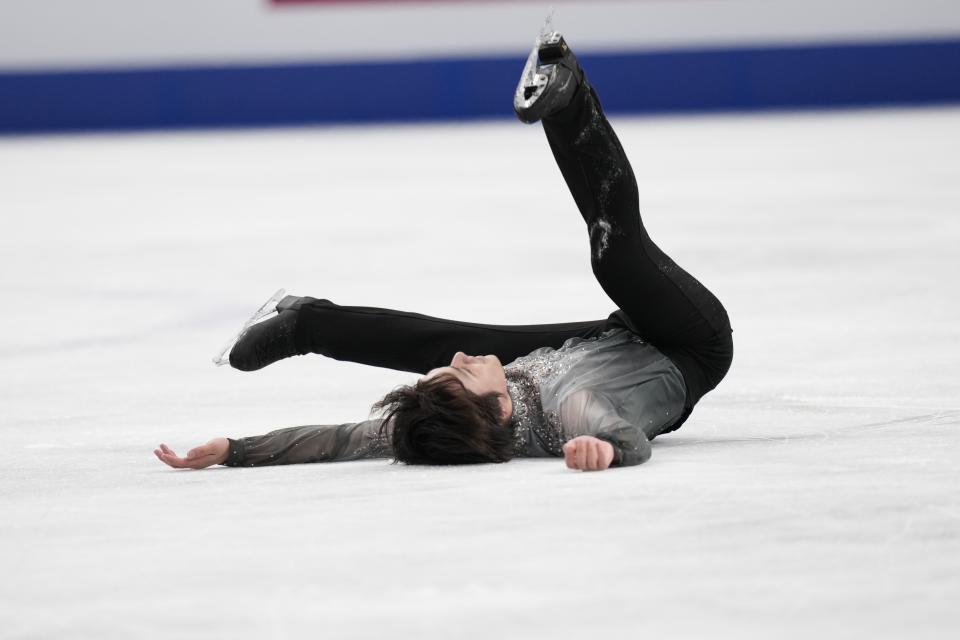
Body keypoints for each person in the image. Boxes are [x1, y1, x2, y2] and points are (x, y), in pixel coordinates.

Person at [153, 32, 733, 473]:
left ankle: (307, 323)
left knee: (433, 341)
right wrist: (603, 451)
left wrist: (233, 450)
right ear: (499, 413)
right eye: (457, 378)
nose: (459, 360)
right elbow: (627, 439)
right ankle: (570, 96)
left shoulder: (458, 417)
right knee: (616, 254)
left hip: (611, 341)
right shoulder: (576, 409)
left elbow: (338, 439)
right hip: (686, 343)